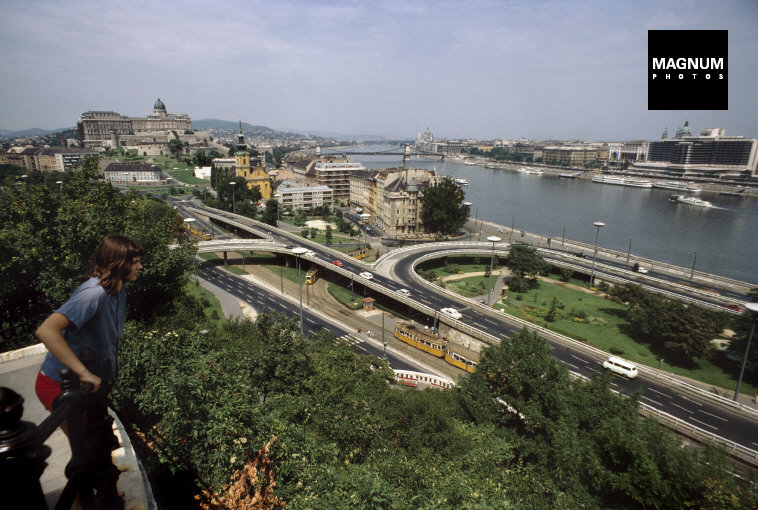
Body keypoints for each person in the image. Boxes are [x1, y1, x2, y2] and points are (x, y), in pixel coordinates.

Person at [35, 234, 143, 407]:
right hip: (58, 385)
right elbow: (46, 331)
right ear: (120, 263)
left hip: (86, 385)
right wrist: (84, 372)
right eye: (135, 262)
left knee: (99, 433)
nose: (140, 266)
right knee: (85, 434)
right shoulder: (94, 293)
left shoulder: (117, 290)